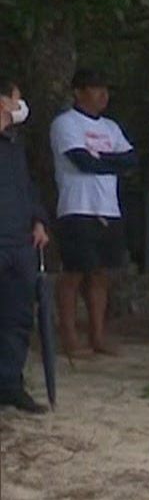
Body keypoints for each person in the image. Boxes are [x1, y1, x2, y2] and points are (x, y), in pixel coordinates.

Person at [49, 69, 137, 357]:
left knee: (101, 274)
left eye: (105, 88)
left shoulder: (111, 127)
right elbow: (82, 161)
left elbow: (131, 159)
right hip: (78, 207)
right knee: (74, 272)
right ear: (78, 92)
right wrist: (110, 162)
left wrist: (102, 159)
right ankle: (69, 336)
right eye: (96, 88)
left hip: (108, 207)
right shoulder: (65, 124)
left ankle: (97, 335)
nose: (103, 95)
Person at [1, 83, 51, 413]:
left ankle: (9, 385)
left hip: (19, 242)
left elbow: (27, 187)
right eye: (15, 99)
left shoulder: (13, 145)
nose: (20, 106)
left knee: (17, 317)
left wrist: (38, 220)